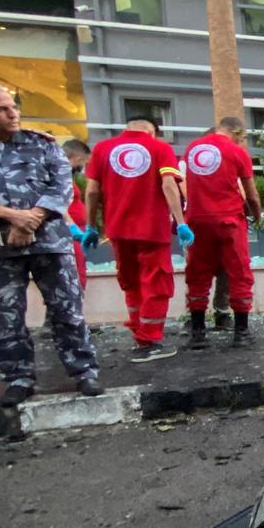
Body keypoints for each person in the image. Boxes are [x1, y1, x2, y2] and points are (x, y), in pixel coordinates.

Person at [0, 86, 101, 405]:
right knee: (6, 317)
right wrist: (11, 217)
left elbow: (62, 186)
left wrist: (31, 219)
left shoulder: (42, 143)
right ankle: (19, 378)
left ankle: (84, 371)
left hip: (49, 243)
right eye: (1, 109)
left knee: (67, 311)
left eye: (13, 107)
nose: (12, 114)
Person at [83, 118, 193, 362]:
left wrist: (91, 226)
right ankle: (149, 341)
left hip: (118, 230)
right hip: (151, 229)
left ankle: (138, 333)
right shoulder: (159, 148)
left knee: (131, 282)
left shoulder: (102, 148)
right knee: (156, 283)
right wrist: (181, 221)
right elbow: (169, 185)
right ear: (151, 131)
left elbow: (91, 191)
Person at [182, 117, 260, 349]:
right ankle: (241, 333)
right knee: (239, 274)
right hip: (229, 221)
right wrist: (256, 215)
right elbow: (251, 193)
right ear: (236, 133)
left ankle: (198, 334)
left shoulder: (191, 149)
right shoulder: (236, 152)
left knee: (197, 275)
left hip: (197, 222)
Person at [61, 139, 90, 289]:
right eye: (84, 162)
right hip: (68, 232)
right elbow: (58, 203)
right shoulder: (58, 175)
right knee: (75, 275)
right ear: (79, 158)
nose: (82, 167)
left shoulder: (67, 176)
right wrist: (72, 227)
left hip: (76, 231)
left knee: (78, 271)